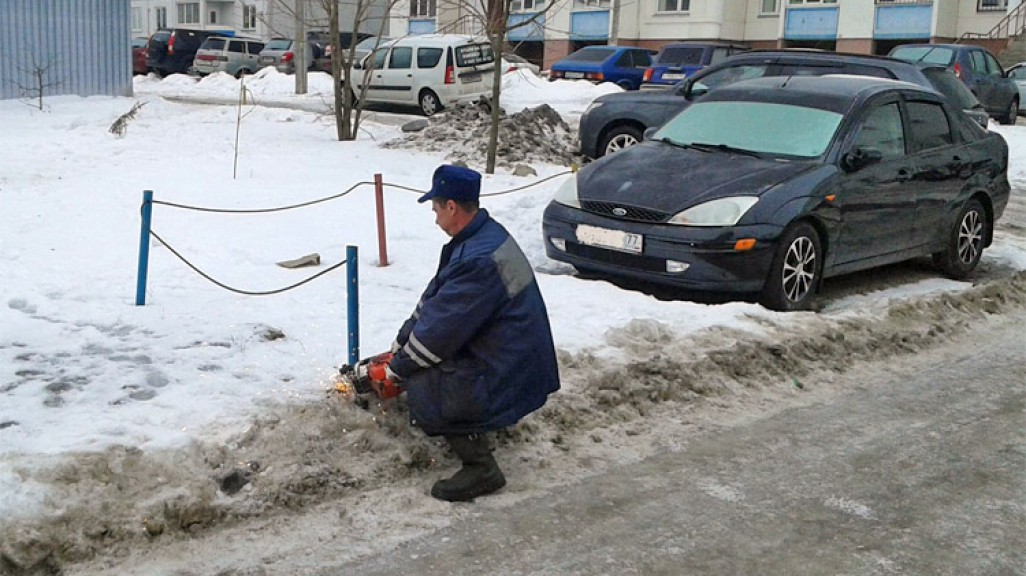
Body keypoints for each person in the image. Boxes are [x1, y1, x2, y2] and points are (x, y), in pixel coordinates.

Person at [364, 164, 560, 502]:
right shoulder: (481, 237)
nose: (435, 217)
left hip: (510, 364)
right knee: (418, 360)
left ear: (451, 206)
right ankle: (480, 419)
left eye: (436, 208)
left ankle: (481, 467)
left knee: (426, 382)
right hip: (511, 350)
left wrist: (396, 371)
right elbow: (437, 301)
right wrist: (399, 344)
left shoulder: (477, 259)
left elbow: (440, 334)